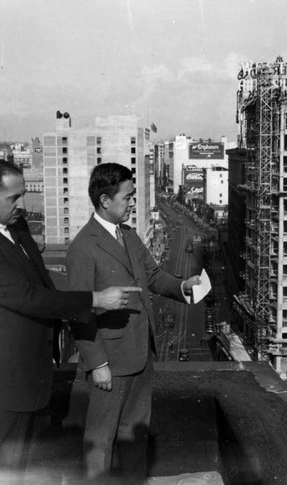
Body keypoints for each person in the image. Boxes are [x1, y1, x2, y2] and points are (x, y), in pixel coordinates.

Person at [0, 159, 140, 485]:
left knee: (16, 465)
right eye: (14, 198)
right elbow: (30, 297)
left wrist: (88, 288)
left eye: (22, 195)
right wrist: (95, 299)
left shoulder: (15, 225)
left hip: (28, 372)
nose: (21, 205)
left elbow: (43, 279)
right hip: (3, 378)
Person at [65, 163, 201, 483]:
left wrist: (182, 287)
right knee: (101, 441)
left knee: (135, 436)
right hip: (111, 362)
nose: (131, 202)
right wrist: (97, 362)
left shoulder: (128, 235)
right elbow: (78, 311)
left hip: (141, 355)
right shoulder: (84, 247)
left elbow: (152, 275)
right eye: (126, 197)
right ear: (104, 200)